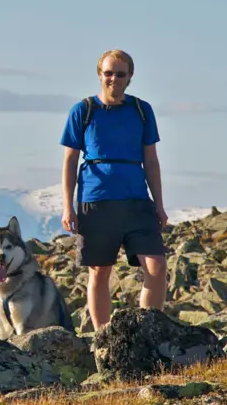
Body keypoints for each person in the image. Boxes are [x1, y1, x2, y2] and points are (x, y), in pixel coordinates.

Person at [59, 49, 168, 330]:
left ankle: (147, 332)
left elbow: (151, 159)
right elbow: (70, 160)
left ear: (130, 77)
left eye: (120, 74)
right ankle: (102, 338)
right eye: (108, 73)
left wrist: (159, 204)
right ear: (99, 74)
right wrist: (67, 206)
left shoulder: (142, 111)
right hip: (96, 201)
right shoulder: (83, 111)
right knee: (99, 272)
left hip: (137, 201)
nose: (114, 79)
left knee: (156, 268)